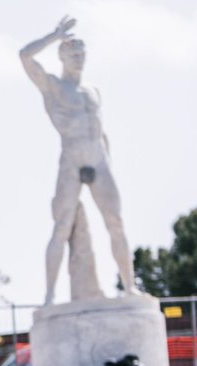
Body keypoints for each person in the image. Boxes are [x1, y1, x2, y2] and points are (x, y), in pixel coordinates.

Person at [20, 16, 138, 306]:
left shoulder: (92, 91)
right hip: (71, 160)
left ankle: (130, 286)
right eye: (73, 54)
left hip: (98, 160)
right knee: (61, 226)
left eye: (82, 54)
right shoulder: (53, 86)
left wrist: (107, 161)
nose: (79, 59)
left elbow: (100, 129)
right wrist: (54, 35)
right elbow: (24, 56)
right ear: (62, 56)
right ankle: (49, 296)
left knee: (116, 222)